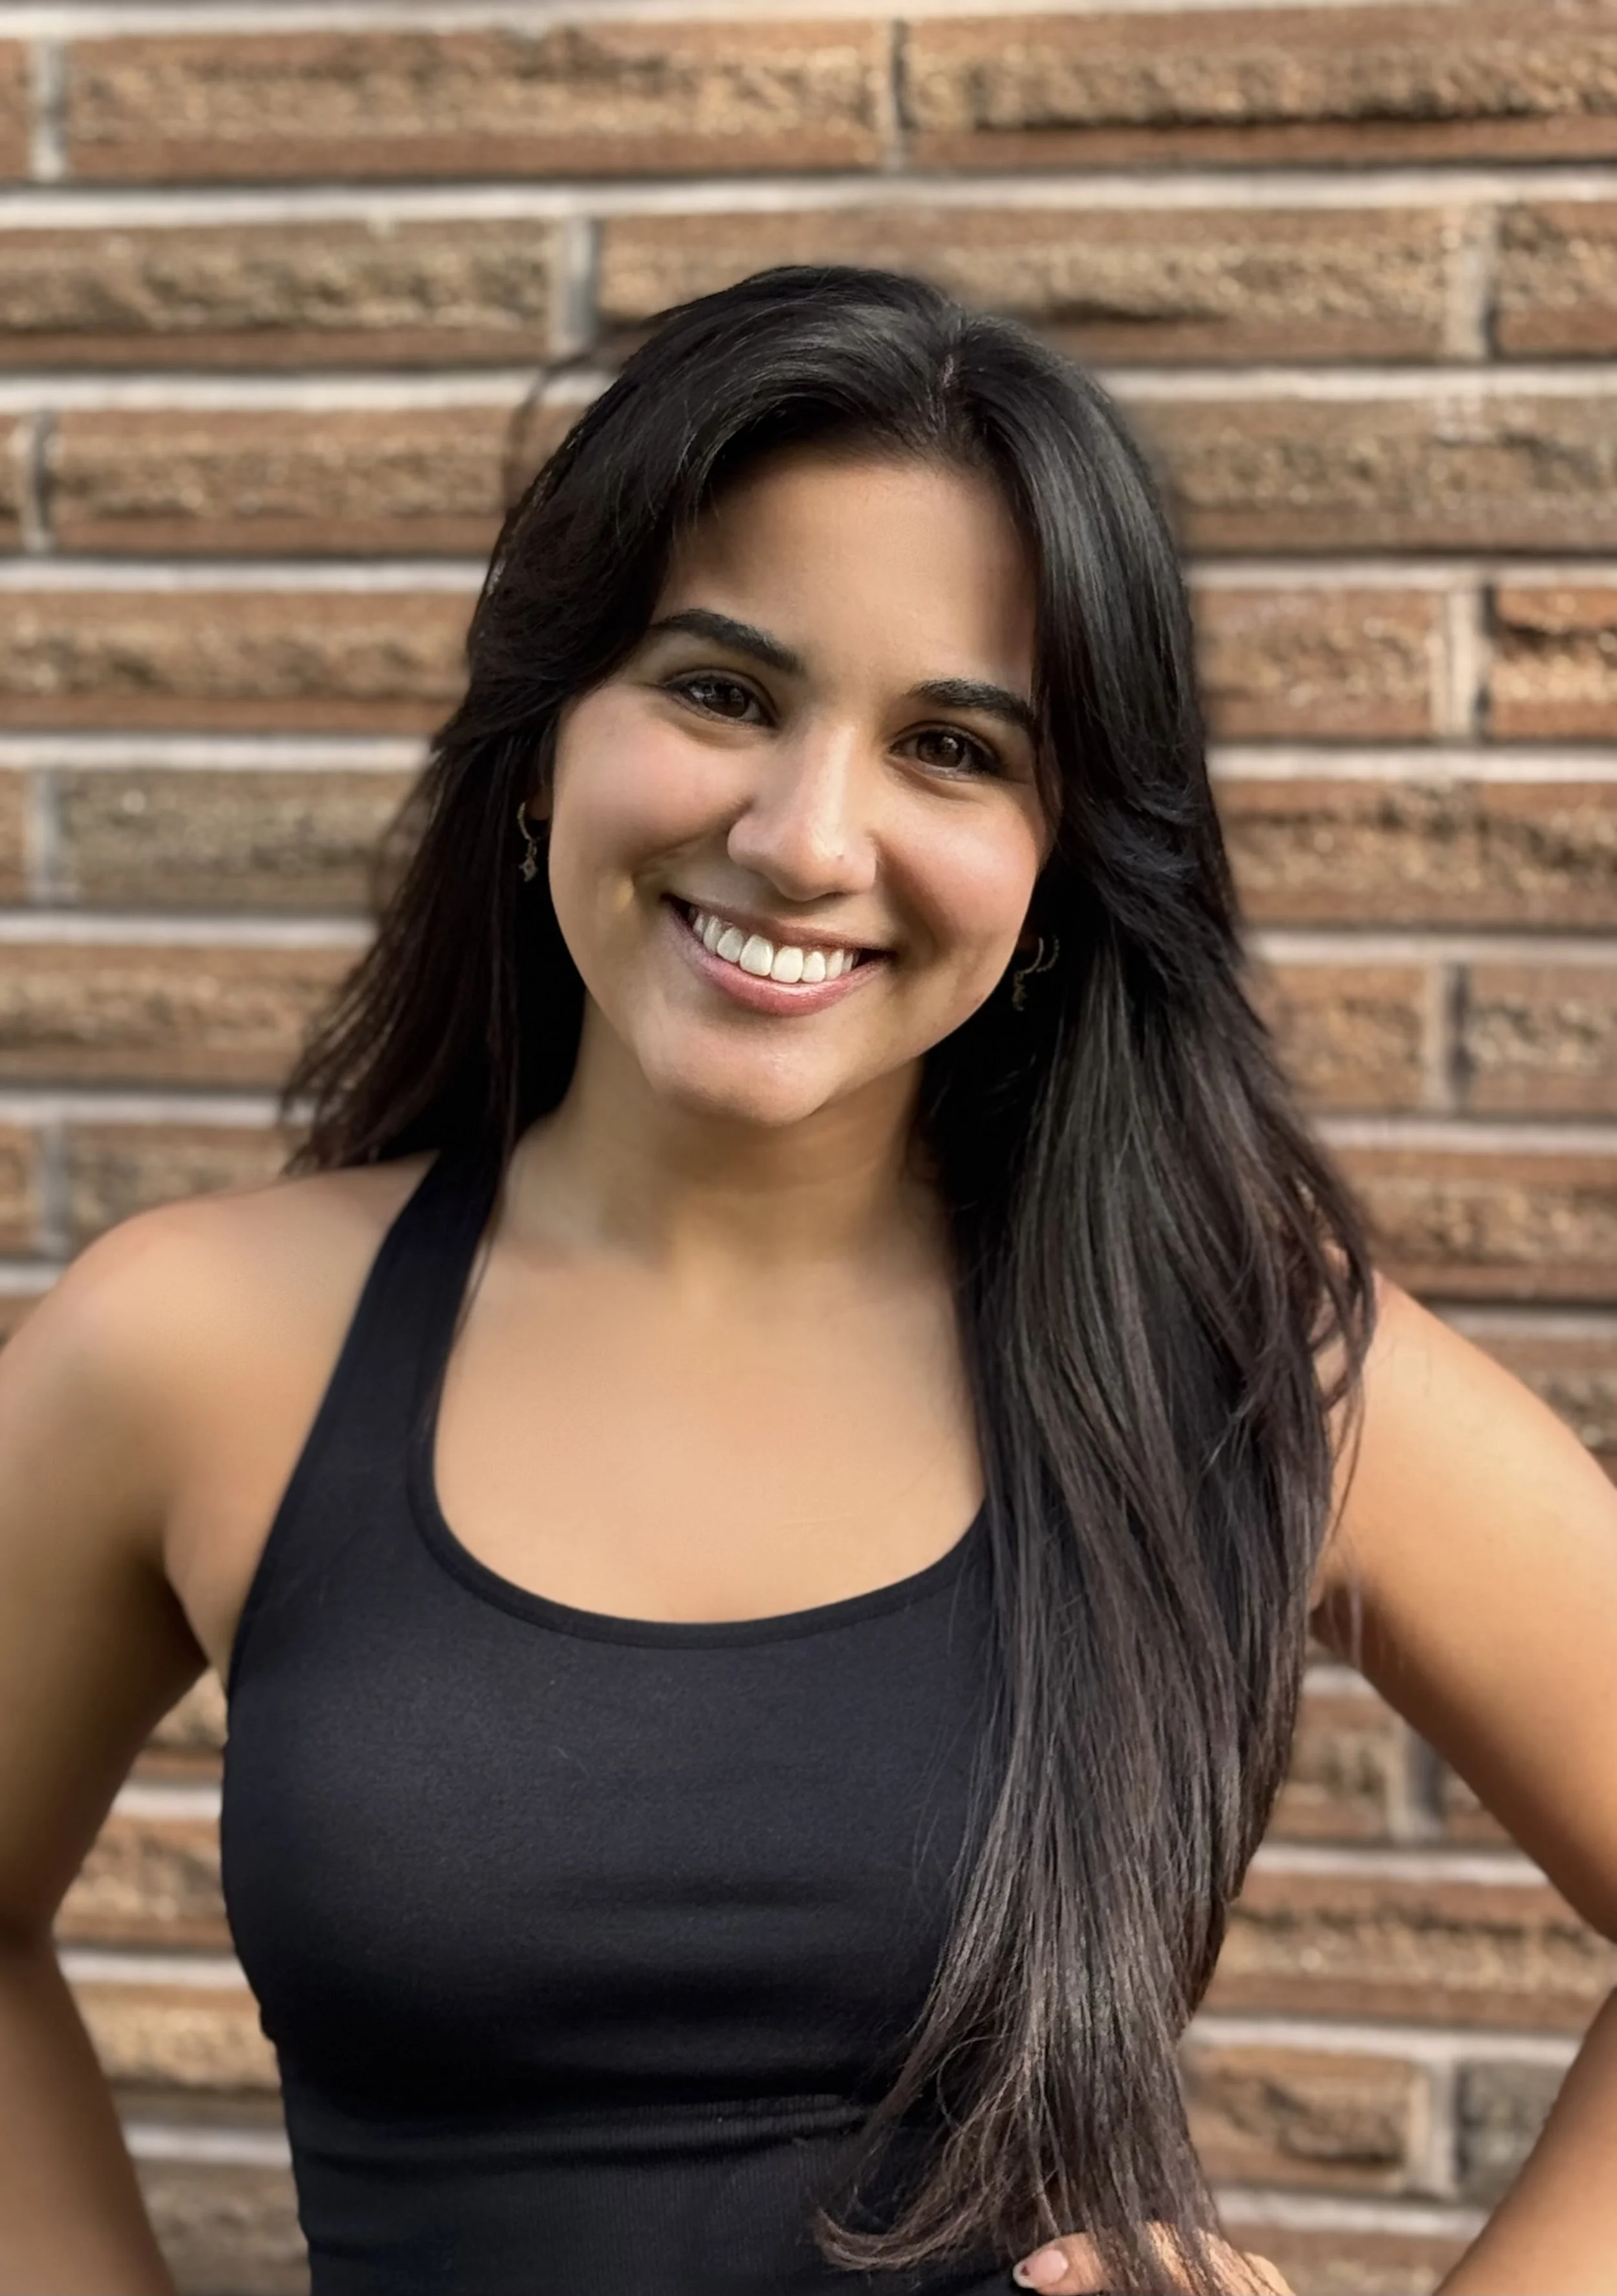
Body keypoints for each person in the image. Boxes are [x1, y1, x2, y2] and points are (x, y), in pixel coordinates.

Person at [1, 266, 1614, 2296]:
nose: (803, 833)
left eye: (949, 745)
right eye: (719, 689)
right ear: (539, 748)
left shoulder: (1226, 1356)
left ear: (1052, 866)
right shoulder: (195, 1345)